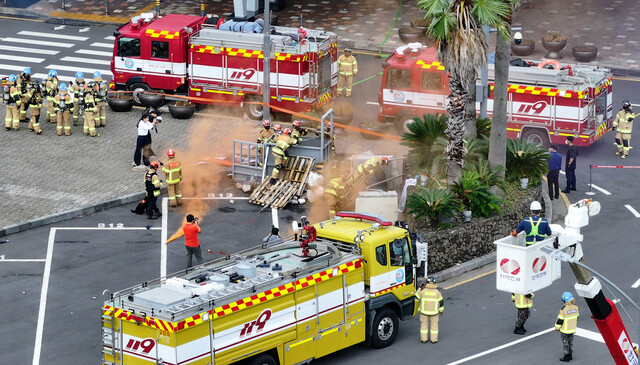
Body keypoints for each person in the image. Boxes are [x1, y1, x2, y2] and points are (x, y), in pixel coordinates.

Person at [415, 276, 444, 343]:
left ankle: (424, 339)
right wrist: (441, 311)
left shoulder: (423, 291)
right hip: (434, 313)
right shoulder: (437, 292)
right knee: (434, 327)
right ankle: (434, 340)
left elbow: (416, 297)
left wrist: (420, 288)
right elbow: (441, 302)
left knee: (424, 326)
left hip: (424, 313)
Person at [556, 291, 579, 362]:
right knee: (570, 342)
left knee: (565, 343)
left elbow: (560, 320)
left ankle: (566, 356)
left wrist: (557, 327)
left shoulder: (563, 309)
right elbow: (577, 317)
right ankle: (570, 355)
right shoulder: (576, 308)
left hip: (565, 330)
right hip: (572, 329)